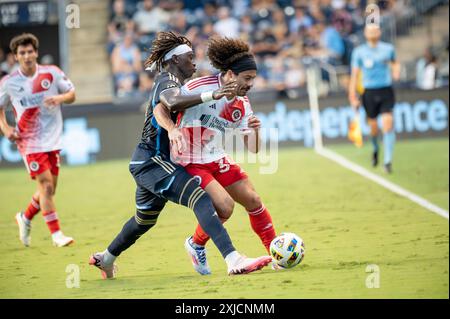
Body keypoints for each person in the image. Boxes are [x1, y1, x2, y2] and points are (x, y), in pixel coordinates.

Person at [89, 31, 272, 279]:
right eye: (189, 57)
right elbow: (163, 107)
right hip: (154, 160)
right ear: (175, 60)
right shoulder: (169, 82)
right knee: (202, 199)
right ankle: (232, 259)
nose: (194, 62)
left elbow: (168, 106)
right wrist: (175, 128)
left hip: (163, 162)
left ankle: (106, 258)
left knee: (143, 220)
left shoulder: (181, 85)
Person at [153, 36, 278, 275]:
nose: (251, 84)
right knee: (225, 207)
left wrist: (255, 130)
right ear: (230, 74)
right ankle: (196, 244)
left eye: (253, 79)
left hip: (215, 156)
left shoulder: (241, 102)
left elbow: (253, 148)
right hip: (189, 160)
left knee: (253, 201)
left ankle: (276, 254)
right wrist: (172, 129)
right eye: (247, 78)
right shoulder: (198, 86)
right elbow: (161, 107)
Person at [0, 33, 76, 247]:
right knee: (46, 186)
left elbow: (72, 94)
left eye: (30, 51)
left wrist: (59, 98)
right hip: (29, 142)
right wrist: (6, 128)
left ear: (36, 53)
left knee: (49, 189)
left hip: (53, 140)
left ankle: (24, 217)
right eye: (22, 53)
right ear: (15, 57)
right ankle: (56, 235)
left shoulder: (51, 73)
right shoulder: (9, 83)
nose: (27, 56)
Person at [348, 24, 400, 173]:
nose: (373, 32)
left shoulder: (388, 49)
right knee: (374, 128)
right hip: (369, 92)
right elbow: (354, 75)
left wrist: (396, 71)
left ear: (379, 32)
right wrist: (352, 96)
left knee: (388, 124)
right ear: (365, 33)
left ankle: (388, 161)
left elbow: (395, 62)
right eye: (370, 30)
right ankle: (376, 148)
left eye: (375, 30)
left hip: (385, 90)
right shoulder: (359, 52)